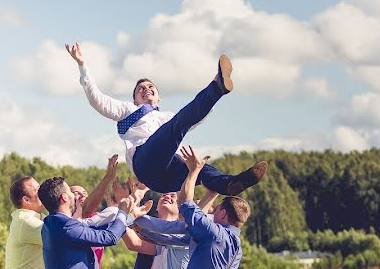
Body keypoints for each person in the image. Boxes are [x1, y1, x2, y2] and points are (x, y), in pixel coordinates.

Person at [66, 43, 268, 195]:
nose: (146, 90)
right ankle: (217, 87)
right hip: (146, 164)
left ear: (159, 96)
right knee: (176, 125)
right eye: (140, 89)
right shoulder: (128, 109)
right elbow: (97, 100)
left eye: (150, 87)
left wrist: (207, 105)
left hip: (169, 180)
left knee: (199, 167)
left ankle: (229, 184)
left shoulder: (167, 116)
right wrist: (83, 65)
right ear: (134, 99)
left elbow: (194, 117)